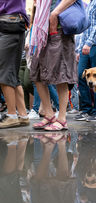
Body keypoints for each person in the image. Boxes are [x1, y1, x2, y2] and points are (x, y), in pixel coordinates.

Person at [30, 0, 77, 131]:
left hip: (59, 28)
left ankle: (62, 119)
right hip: (41, 30)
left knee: (60, 72)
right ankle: (49, 114)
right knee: (36, 72)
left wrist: (55, 13)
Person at [0, 0, 30, 128]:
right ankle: (22, 115)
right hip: (12, 23)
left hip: (9, 23)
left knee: (4, 72)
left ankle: (12, 115)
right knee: (12, 74)